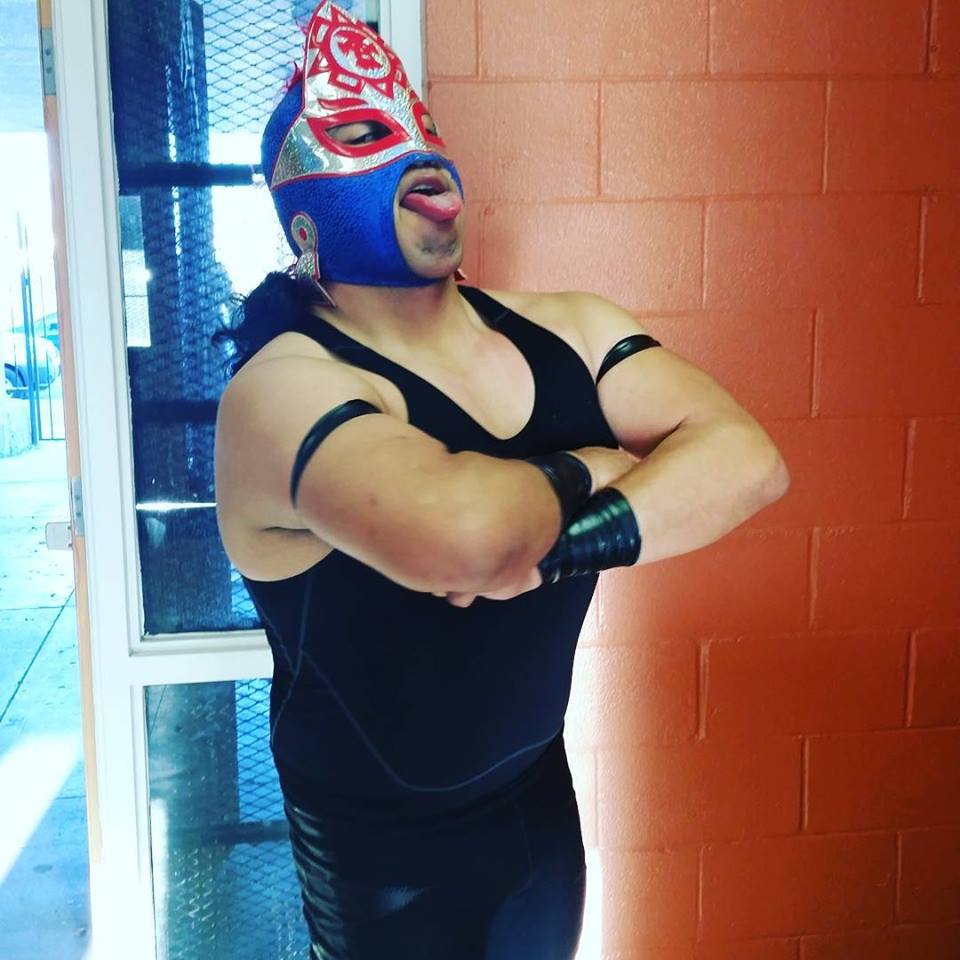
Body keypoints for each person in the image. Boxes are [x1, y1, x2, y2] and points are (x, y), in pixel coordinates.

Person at [212, 3, 791, 958]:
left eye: (425, 128)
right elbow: (464, 537)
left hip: (535, 810)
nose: (419, 152)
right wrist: (600, 466)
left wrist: (553, 545)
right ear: (300, 211)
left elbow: (748, 461)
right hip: (379, 865)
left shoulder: (571, 325)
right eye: (365, 133)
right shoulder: (279, 390)